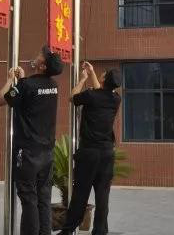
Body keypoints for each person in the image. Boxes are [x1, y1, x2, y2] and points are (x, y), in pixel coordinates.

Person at [0, 46, 63, 235]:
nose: (38, 55)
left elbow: (1, 99)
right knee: (44, 198)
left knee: (29, 200)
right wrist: (22, 81)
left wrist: (10, 80)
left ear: (42, 66)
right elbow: (32, 93)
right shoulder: (53, 85)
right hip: (47, 152)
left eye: (41, 55)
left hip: (28, 153)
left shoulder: (27, 85)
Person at [59, 62, 121, 235]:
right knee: (102, 196)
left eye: (104, 73)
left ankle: (68, 230)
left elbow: (72, 97)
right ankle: (100, 231)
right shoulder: (115, 98)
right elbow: (100, 92)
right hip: (107, 154)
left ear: (104, 79)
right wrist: (92, 72)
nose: (101, 73)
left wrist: (82, 79)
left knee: (80, 194)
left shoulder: (91, 95)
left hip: (89, 153)